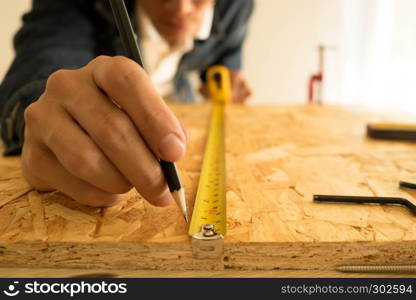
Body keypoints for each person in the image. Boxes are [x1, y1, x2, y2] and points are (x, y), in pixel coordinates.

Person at [0, 0, 254, 208]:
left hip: (181, 97)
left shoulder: (236, 5)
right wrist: (46, 117)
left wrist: (225, 74)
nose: (181, 9)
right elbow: (43, 60)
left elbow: (225, 52)